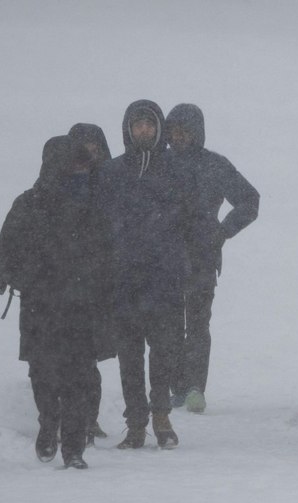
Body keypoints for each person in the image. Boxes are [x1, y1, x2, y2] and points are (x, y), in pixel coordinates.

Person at [0, 135, 112, 469]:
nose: (83, 169)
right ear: (57, 164)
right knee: (41, 372)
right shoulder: (29, 203)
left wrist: (104, 282)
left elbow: (109, 249)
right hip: (40, 304)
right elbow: (9, 245)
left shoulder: (94, 204)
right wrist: (5, 273)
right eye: (77, 162)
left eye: (85, 163)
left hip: (80, 304)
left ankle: (73, 448)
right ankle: (48, 421)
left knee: (78, 375)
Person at [99, 99, 188, 449]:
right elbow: (100, 223)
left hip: (164, 279)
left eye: (150, 124)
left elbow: (191, 218)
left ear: (159, 128)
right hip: (123, 281)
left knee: (163, 353)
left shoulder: (176, 169)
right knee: (129, 357)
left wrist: (188, 261)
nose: (144, 131)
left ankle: (162, 416)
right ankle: (136, 423)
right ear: (128, 129)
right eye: (138, 125)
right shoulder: (112, 172)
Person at [165, 103, 259, 413]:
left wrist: (221, 233)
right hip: (162, 258)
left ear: (197, 133)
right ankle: (176, 387)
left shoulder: (215, 165)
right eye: (174, 131)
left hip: (201, 257)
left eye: (185, 131)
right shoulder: (157, 164)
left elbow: (249, 200)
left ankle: (194, 389)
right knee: (168, 324)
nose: (179, 137)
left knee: (197, 323)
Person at [67, 122, 114, 443]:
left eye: (94, 144)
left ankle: (88, 420)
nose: (89, 150)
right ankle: (65, 418)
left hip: (99, 281)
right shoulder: (57, 182)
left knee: (87, 357)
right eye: (83, 144)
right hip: (64, 281)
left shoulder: (111, 183)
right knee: (65, 357)